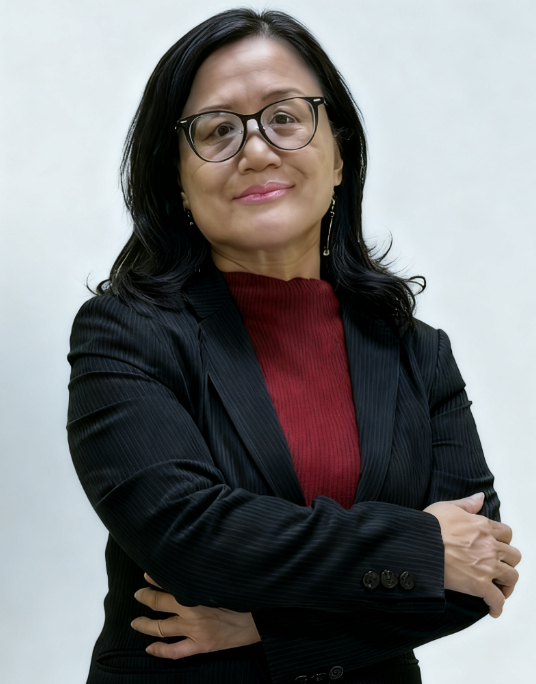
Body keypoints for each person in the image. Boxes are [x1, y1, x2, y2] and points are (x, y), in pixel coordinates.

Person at [67, 8, 521, 684]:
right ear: (177, 179)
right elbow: (189, 535)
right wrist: (423, 547)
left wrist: (265, 627)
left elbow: (480, 572)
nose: (256, 150)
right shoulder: (124, 334)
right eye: (217, 130)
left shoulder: (418, 353)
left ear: (338, 156)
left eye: (284, 117)